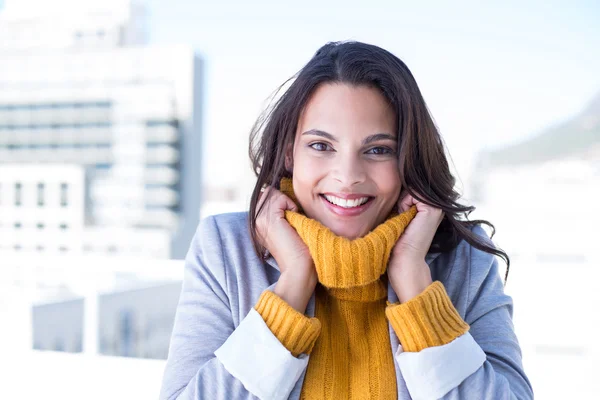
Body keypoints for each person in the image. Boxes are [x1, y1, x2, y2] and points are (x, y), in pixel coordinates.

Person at [159, 40, 533, 400]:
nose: (348, 175)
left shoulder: (465, 260)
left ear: (408, 158)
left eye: (377, 150)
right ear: (290, 153)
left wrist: (416, 289)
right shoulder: (225, 248)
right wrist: (293, 285)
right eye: (321, 145)